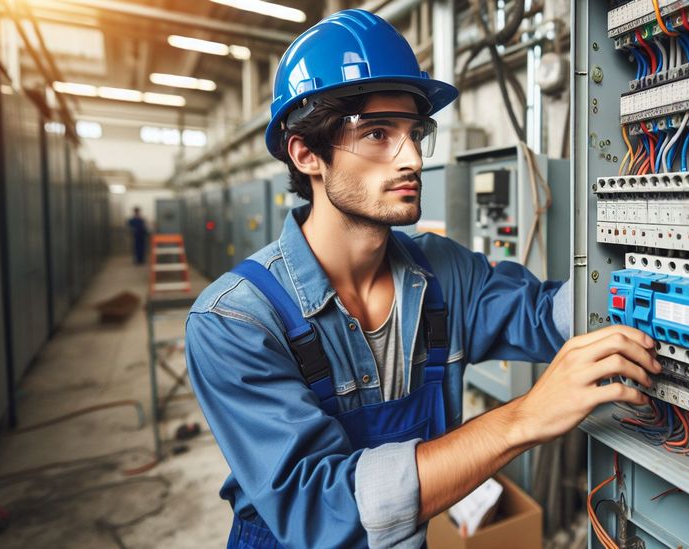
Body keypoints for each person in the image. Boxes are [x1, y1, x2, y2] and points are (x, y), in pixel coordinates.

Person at [185, 9, 660, 548]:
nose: (411, 157)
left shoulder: (443, 272)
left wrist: (664, 271)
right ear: (306, 153)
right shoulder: (234, 320)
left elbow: (547, 316)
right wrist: (523, 417)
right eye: (378, 134)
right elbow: (321, 509)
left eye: (416, 133)